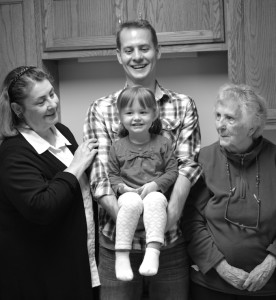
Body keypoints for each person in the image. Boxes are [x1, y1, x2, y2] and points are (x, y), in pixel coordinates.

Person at [83, 19, 201, 300]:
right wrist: (130, 218)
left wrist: (166, 220)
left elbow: (187, 167)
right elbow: (100, 176)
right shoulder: (100, 109)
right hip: (115, 246)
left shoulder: (182, 105)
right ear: (119, 55)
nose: (137, 56)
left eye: (144, 48)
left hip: (169, 244)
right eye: (129, 50)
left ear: (157, 51)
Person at [0, 66, 100, 300]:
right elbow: (41, 206)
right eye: (41, 101)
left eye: (52, 94)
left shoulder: (61, 131)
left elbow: (77, 194)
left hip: (77, 260)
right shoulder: (13, 154)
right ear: (18, 109)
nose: (52, 104)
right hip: (41, 274)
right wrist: (76, 166)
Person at [183, 83, 276, 299]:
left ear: (252, 127)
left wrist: (271, 262)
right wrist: (222, 268)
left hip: (268, 288)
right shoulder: (204, 159)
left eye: (230, 119)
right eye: (218, 116)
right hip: (210, 286)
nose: (220, 125)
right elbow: (192, 222)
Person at [108, 86, 178, 281]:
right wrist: (122, 188)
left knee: (155, 200)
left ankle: (153, 252)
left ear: (154, 114)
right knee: (131, 202)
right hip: (128, 194)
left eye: (143, 112)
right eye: (129, 113)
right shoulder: (117, 146)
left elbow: (173, 171)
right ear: (120, 116)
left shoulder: (163, 143)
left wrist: (155, 185)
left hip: (154, 193)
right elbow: (112, 175)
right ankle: (121, 255)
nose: (136, 117)